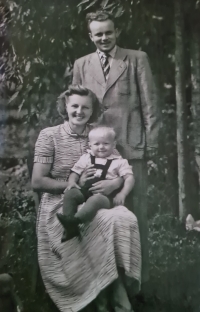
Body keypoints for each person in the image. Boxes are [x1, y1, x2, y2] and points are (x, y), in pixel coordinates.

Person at [31, 84, 141, 312]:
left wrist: (115, 183)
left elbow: (119, 168)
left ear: (93, 111)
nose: (79, 112)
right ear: (65, 107)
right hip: (62, 201)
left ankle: (108, 291)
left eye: (85, 108)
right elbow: (38, 181)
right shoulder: (50, 136)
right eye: (74, 106)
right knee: (104, 222)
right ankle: (115, 297)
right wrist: (73, 184)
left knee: (125, 218)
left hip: (97, 197)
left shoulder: (99, 134)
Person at [72, 10, 161, 285]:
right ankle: (104, 282)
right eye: (98, 34)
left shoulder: (136, 59)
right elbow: (77, 108)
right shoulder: (82, 64)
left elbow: (151, 106)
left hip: (131, 149)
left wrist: (152, 146)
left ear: (116, 32)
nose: (104, 38)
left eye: (108, 32)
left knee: (135, 216)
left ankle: (138, 283)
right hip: (96, 152)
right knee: (99, 217)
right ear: (90, 36)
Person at [57, 126, 134, 242]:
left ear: (114, 145)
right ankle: (68, 223)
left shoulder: (119, 161)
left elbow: (129, 178)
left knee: (95, 200)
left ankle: (75, 222)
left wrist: (123, 193)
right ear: (90, 145)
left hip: (105, 196)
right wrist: (72, 182)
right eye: (97, 144)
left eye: (106, 143)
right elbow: (75, 172)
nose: (101, 147)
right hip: (85, 191)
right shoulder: (86, 158)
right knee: (70, 193)